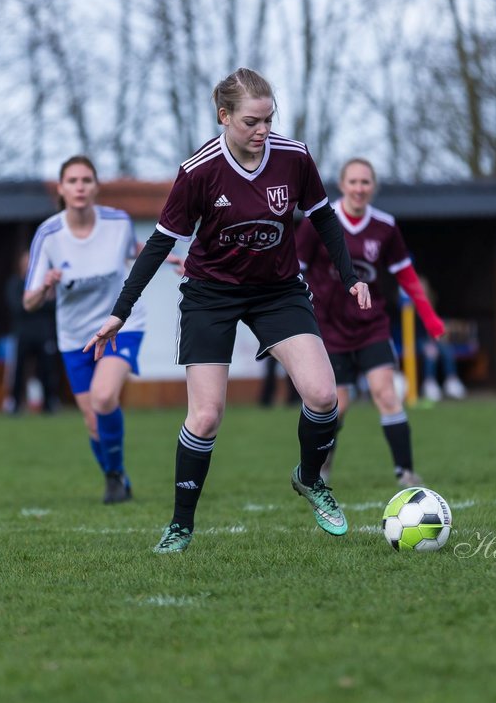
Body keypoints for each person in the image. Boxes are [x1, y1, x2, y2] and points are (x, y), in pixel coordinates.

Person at [85, 68, 371, 552]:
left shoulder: (294, 157)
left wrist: (350, 277)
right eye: (251, 122)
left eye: (268, 119)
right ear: (224, 116)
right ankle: (180, 525)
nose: (263, 131)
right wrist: (120, 310)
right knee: (206, 416)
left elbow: (322, 216)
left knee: (324, 396)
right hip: (210, 294)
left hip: (278, 290)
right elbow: (159, 243)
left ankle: (309, 477)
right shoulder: (198, 171)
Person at [297, 157, 446, 487]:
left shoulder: (385, 227)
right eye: (353, 182)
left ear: (373, 187)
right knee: (338, 404)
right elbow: (295, 269)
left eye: (365, 182)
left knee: (386, 393)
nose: (359, 188)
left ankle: (405, 472)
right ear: (342, 184)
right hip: (329, 327)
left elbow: (406, 275)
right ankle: (321, 468)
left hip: (371, 325)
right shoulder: (318, 221)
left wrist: (430, 318)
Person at [24, 155, 156, 503]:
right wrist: (45, 287)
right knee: (93, 421)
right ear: (61, 189)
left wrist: (160, 254)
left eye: (86, 180)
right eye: (73, 181)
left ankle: (114, 479)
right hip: (75, 337)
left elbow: (131, 251)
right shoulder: (49, 234)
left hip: (120, 325)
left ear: (96, 187)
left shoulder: (118, 222)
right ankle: (117, 476)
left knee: (103, 396)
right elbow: (28, 302)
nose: (80, 187)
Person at [5, 249, 58, 414]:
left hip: (44, 333)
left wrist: (33, 303)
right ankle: (14, 405)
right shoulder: (15, 284)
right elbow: (18, 307)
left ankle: (49, 404)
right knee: (18, 370)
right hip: (22, 334)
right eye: (26, 262)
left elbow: (53, 306)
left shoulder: (44, 285)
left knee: (47, 370)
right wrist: (40, 301)